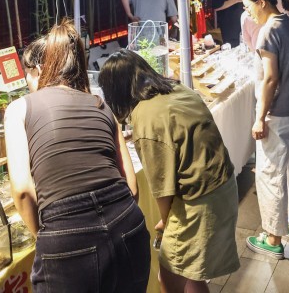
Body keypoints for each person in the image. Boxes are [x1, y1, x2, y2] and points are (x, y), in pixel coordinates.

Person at [5, 22, 150, 292]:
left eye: (27, 74)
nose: (27, 83)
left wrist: (49, 236)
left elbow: (23, 191)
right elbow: (131, 188)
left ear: (40, 69)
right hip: (128, 224)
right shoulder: (101, 105)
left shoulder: (18, 109)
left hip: (65, 232)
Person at [98, 51, 240, 293]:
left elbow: (162, 185)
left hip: (200, 200)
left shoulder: (146, 117)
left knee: (170, 276)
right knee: (191, 273)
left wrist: (165, 221)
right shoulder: (176, 89)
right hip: (224, 185)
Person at [241, 0, 289, 259]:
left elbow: (270, 79)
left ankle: (273, 239)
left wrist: (259, 118)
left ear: (261, 2)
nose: (247, 12)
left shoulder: (268, 31)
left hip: (279, 115)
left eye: (248, 7)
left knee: (270, 175)